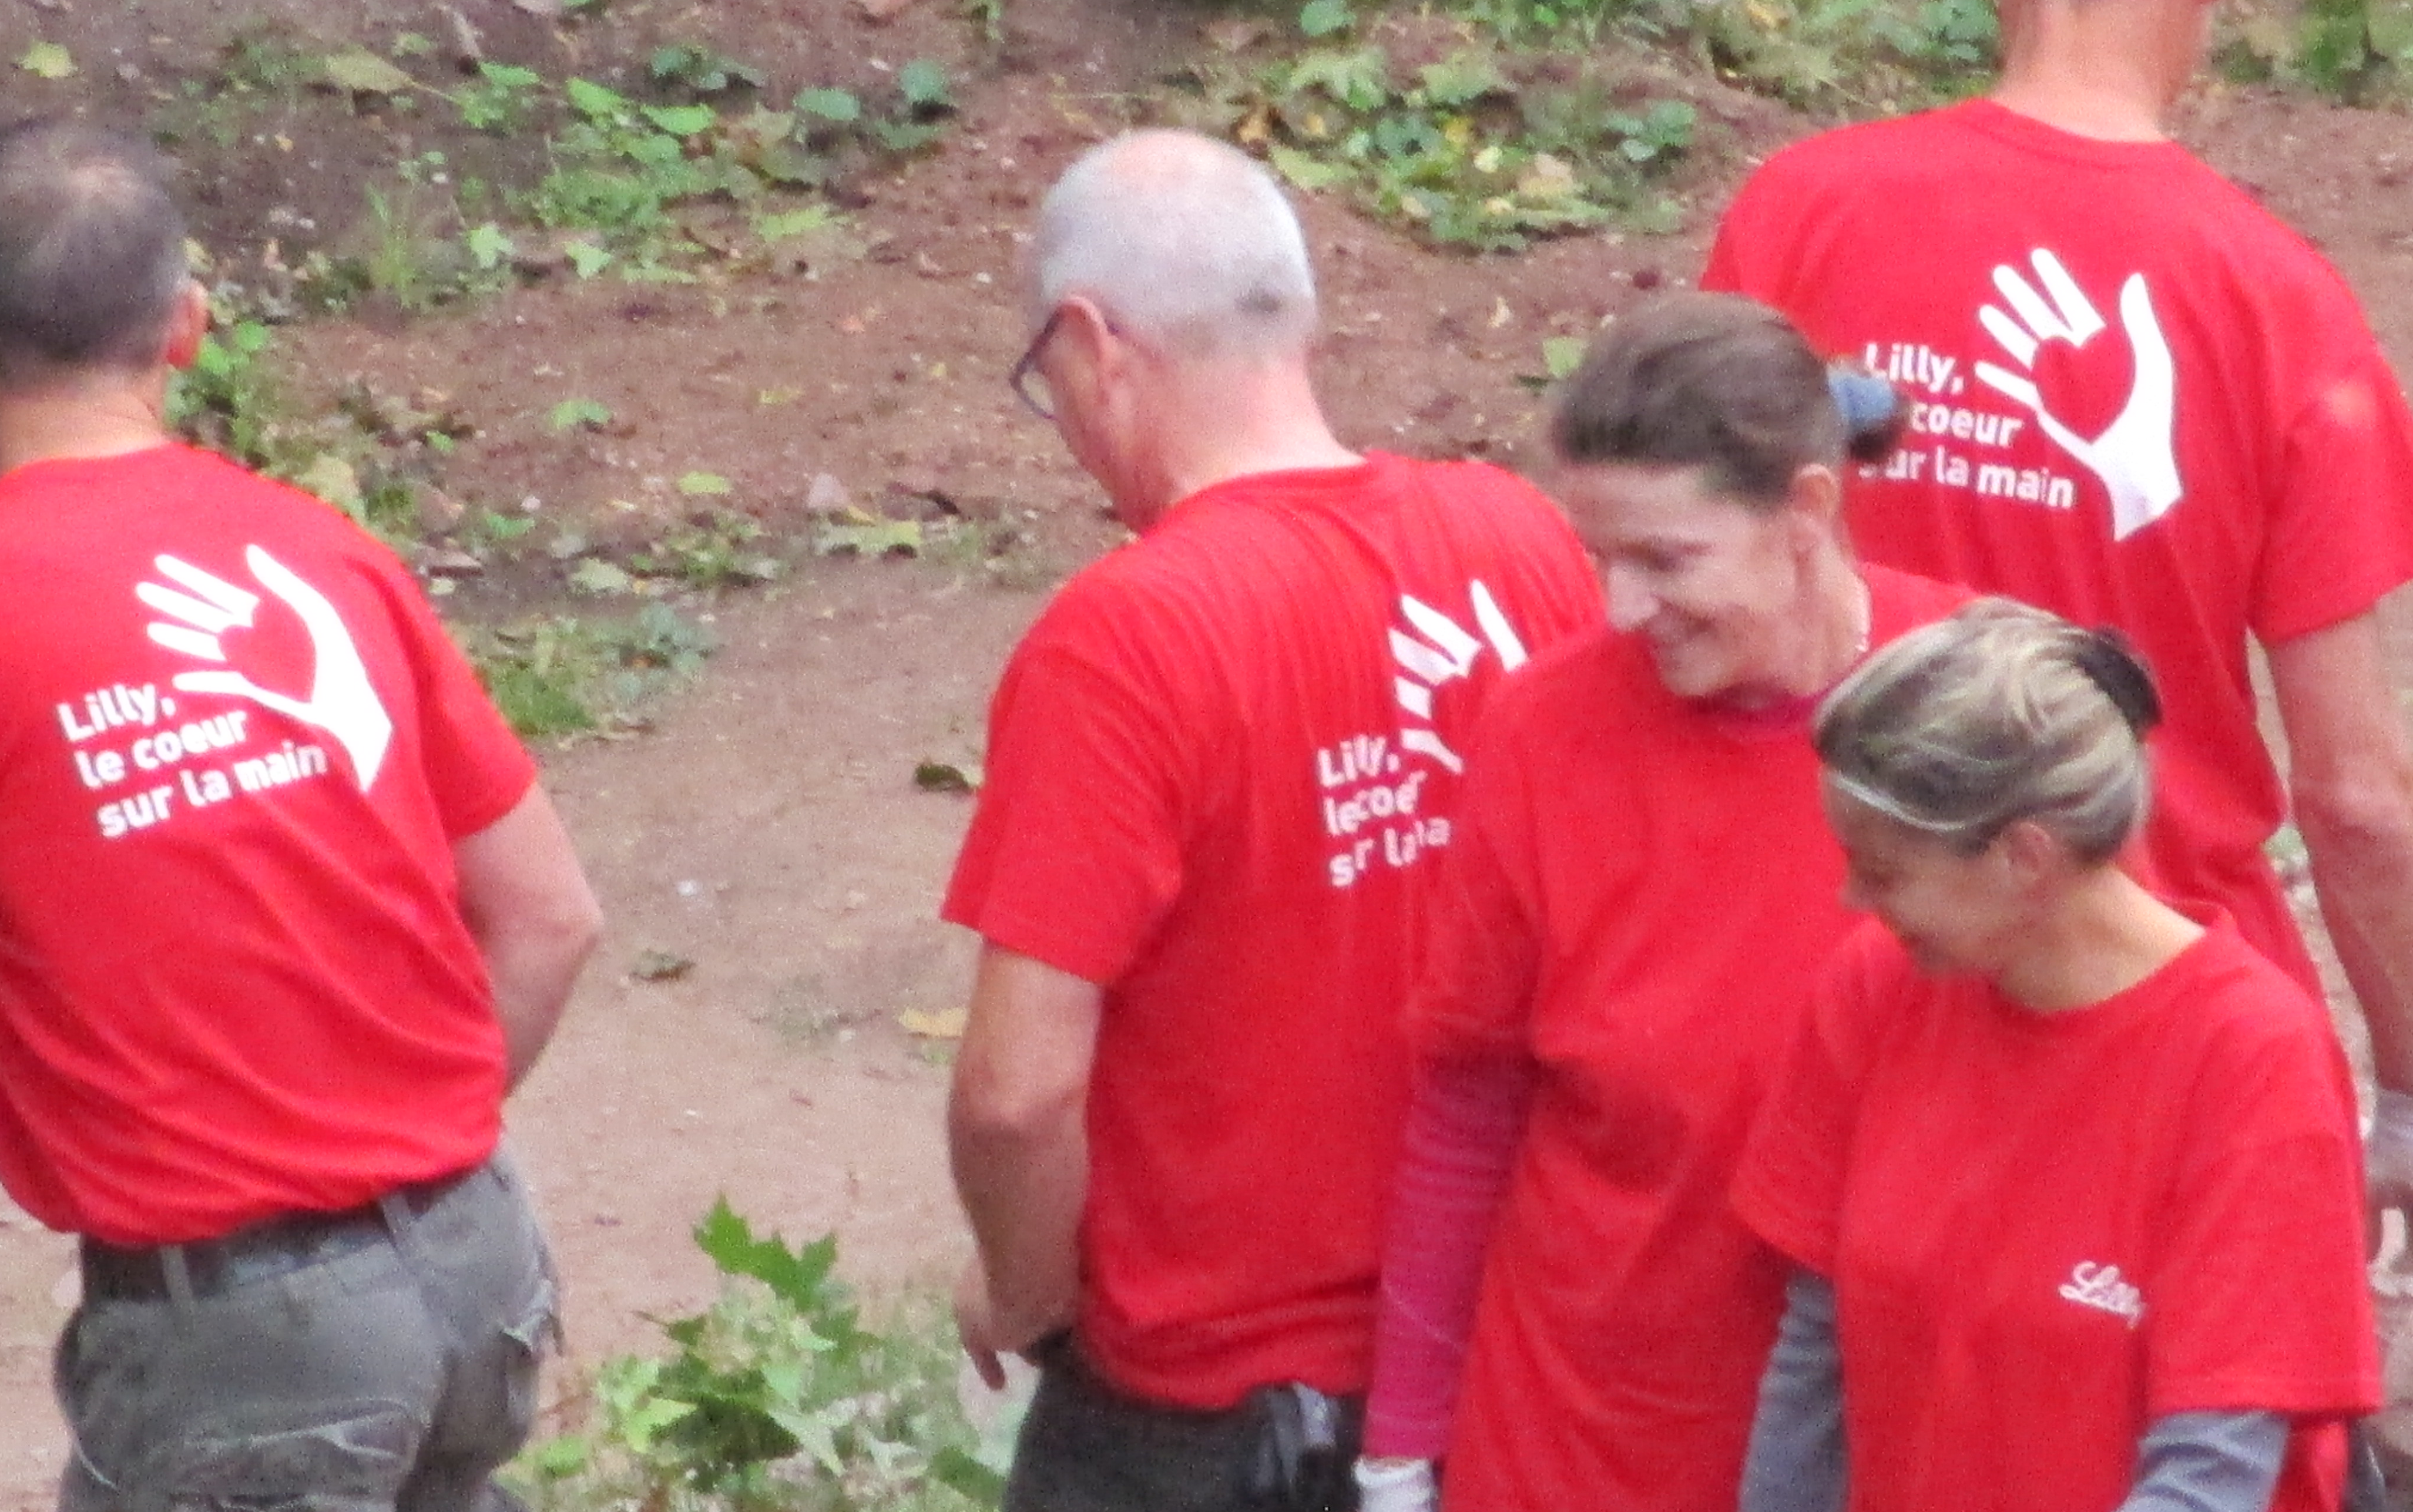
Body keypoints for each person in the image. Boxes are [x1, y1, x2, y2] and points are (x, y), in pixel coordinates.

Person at [0, 120, 604, 1512]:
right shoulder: (321, 550)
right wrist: (396, 1178)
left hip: (243, 1344)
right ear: (188, 326)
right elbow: (551, 918)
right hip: (478, 1261)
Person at [1703, 0, 2413, 1223]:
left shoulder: (1799, 212)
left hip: (1860, 971)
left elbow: (1694, 580)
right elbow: (2354, 797)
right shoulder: (2281, 303)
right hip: (2160, 1005)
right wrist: (2404, 1088)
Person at [941, 129, 1604, 1512]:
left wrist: (1023, 1292)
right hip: (1495, 1355)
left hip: (1212, 1413)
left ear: (1094, 347)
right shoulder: (1522, 540)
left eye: (1046, 383)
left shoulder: (1127, 638)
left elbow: (1016, 1094)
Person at [1355, 293, 1965, 1512]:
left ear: (1807, 511)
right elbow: (1468, 1101)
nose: (1623, 610)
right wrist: (1402, 1450)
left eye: (1668, 560)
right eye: (1602, 559)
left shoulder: (1981, 705)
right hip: (1587, 1442)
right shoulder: (1543, 731)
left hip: (1899, 1441)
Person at [1734, 602, 2380, 1512]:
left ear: (2024, 858)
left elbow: (2212, 1472)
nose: (1852, 898)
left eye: (1884, 871)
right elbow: (1816, 1349)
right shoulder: (1881, 984)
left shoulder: (2251, 1060)